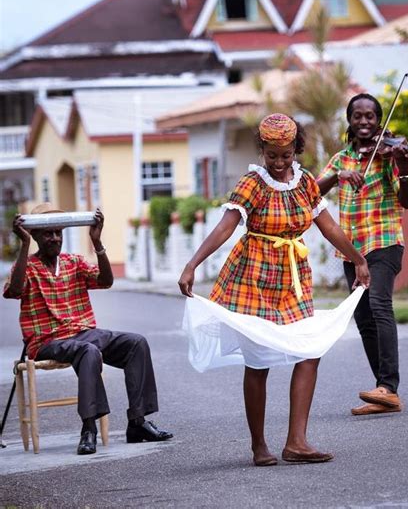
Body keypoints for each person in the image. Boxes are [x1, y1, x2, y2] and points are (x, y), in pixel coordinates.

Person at [178, 113, 370, 466]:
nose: (280, 164)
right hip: (252, 278)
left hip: (293, 279)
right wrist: (192, 264)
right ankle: (259, 446)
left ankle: (297, 441)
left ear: (296, 149)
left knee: (310, 351)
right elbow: (225, 227)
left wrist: (357, 258)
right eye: (272, 156)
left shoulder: (306, 181)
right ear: (262, 150)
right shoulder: (253, 182)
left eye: (286, 156)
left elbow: (328, 226)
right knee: (259, 361)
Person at [3, 203, 173, 455]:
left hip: (84, 332)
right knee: (88, 350)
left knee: (136, 343)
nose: (54, 238)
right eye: (48, 233)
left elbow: (106, 281)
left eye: (58, 233)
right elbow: (14, 291)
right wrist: (24, 245)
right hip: (48, 340)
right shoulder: (27, 266)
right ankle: (89, 428)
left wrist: (97, 242)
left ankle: (137, 422)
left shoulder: (73, 262)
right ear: (36, 236)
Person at [317, 93, 408, 416]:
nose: (364, 122)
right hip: (352, 250)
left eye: (371, 116)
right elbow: (311, 192)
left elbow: (406, 200)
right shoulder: (341, 158)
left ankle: (389, 386)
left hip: (385, 241)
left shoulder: (389, 155)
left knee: (379, 304)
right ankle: (383, 392)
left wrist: (402, 167)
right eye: (358, 116)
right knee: (363, 319)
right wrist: (339, 176)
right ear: (349, 120)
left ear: (378, 120)